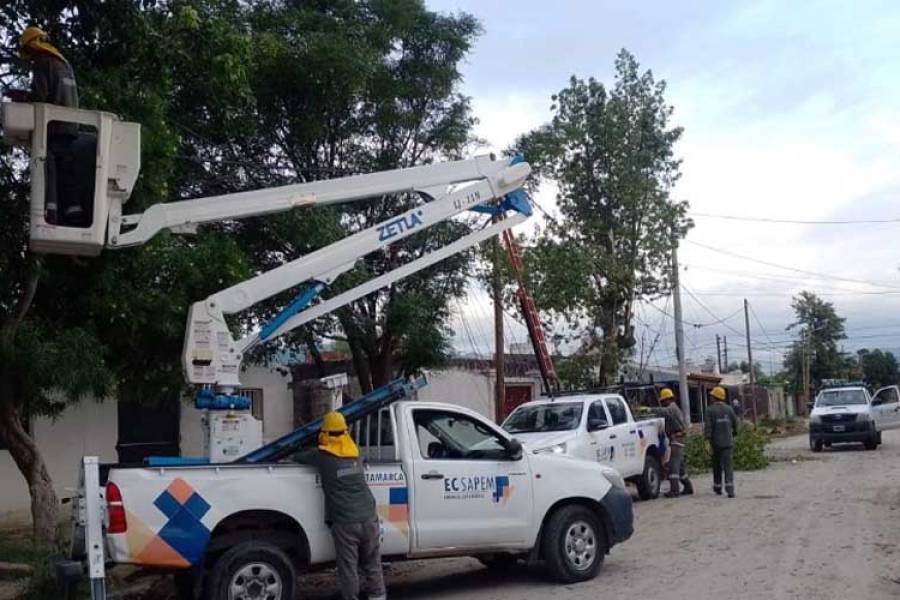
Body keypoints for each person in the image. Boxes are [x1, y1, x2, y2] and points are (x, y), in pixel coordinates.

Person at [297, 411, 386, 600]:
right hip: (369, 516)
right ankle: (378, 596)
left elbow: (298, 457)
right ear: (345, 431)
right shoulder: (356, 452)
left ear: (325, 432)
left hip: (346, 522)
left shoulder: (321, 456)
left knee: (349, 568)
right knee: (372, 564)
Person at [17, 26, 87, 226]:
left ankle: (51, 215)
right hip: (70, 128)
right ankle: (74, 215)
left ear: (33, 45)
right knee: (67, 173)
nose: (29, 57)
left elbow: (40, 97)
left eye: (28, 51)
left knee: (49, 171)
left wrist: (22, 97)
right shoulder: (63, 63)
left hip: (53, 127)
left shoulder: (42, 61)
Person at [653, 388, 693, 497]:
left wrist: (650, 409)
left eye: (663, 400)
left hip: (677, 438)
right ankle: (688, 487)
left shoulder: (672, 408)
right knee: (680, 467)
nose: (662, 402)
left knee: (673, 466)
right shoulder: (674, 408)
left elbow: (664, 412)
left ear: (667, 399)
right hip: (678, 438)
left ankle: (674, 491)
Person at [705, 386, 739, 498]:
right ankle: (730, 490)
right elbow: (735, 424)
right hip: (728, 443)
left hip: (716, 444)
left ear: (715, 397)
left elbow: (708, 428)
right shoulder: (729, 409)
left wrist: (707, 441)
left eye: (711, 396)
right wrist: (733, 434)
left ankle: (718, 487)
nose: (710, 398)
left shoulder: (709, 410)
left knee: (716, 466)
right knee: (728, 466)